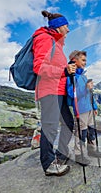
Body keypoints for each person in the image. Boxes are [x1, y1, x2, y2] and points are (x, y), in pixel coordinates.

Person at [32, 10, 76, 176]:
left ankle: (61, 155)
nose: (69, 30)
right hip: (49, 91)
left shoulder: (57, 44)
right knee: (50, 127)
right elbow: (39, 67)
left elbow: (59, 69)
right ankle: (49, 164)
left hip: (59, 90)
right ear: (58, 27)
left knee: (68, 123)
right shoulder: (44, 39)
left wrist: (69, 71)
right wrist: (64, 70)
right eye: (66, 26)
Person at [66, 50, 101, 165]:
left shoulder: (83, 76)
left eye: (85, 60)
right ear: (74, 60)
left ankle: (91, 150)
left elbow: (89, 93)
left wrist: (94, 106)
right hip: (80, 110)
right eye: (83, 60)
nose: (85, 63)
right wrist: (86, 88)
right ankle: (79, 155)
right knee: (81, 133)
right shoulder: (71, 77)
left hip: (89, 109)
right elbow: (72, 94)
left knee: (91, 130)